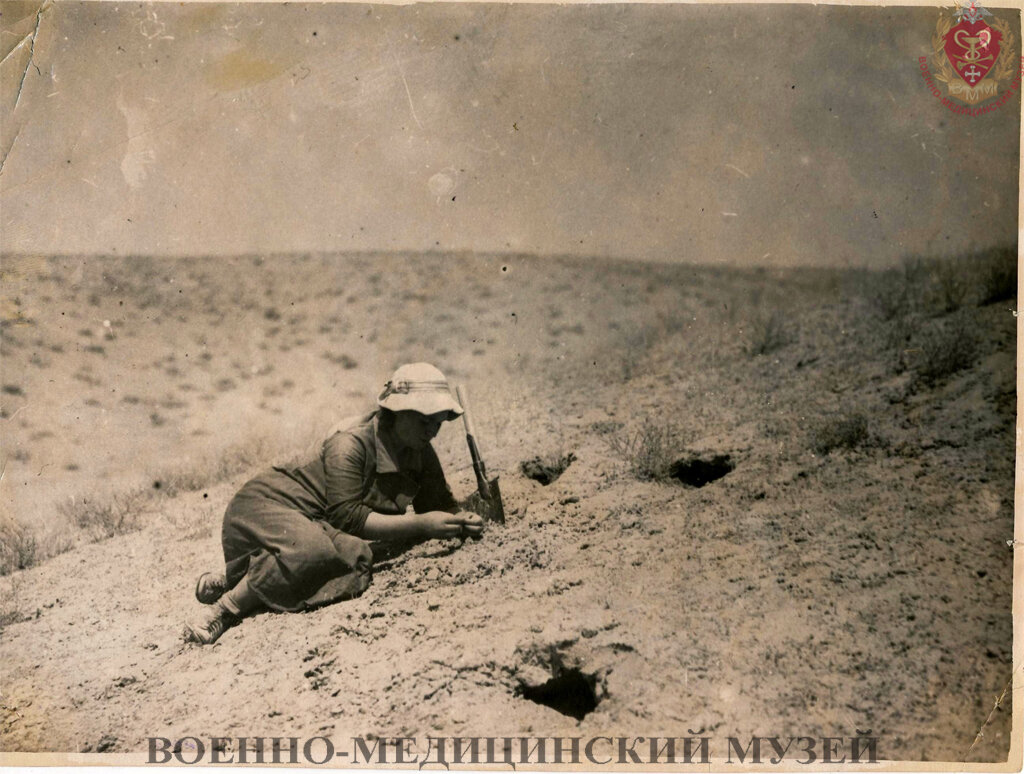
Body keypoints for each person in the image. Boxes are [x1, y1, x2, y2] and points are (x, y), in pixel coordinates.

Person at [183, 363, 485, 645]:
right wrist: (422, 524)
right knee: (312, 551)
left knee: (357, 558)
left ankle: (238, 578)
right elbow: (348, 518)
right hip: (264, 505)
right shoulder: (350, 444)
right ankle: (224, 609)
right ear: (396, 412)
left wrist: (461, 518)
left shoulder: (418, 451)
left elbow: (439, 503)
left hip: (313, 523)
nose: (431, 431)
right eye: (423, 421)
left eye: (437, 423)